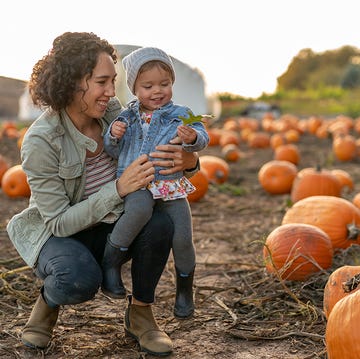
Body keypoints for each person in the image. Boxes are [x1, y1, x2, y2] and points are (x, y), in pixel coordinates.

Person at [6, 32, 200, 357]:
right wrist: (119, 189)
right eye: (101, 82)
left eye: (113, 81)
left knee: (162, 224)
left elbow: (154, 143)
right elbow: (58, 223)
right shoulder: (42, 139)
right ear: (71, 82)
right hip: (61, 234)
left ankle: (141, 316)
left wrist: (190, 160)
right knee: (78, 280)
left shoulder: (111, 111)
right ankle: (48, 303)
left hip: (110, 225)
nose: (112, 92)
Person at [102, 47, 209, 320]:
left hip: (170, 187)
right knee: (137, 211)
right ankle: (111, 264)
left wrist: (192, 138)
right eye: (148, 86)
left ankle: (185, 289)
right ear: (134, 88)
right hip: (139, 183)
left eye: (165, 84)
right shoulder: (127, 116)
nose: (157, 91)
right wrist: (113, 136)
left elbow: (201, 135)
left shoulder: (180, 113)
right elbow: (114, 152)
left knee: (183, 238)